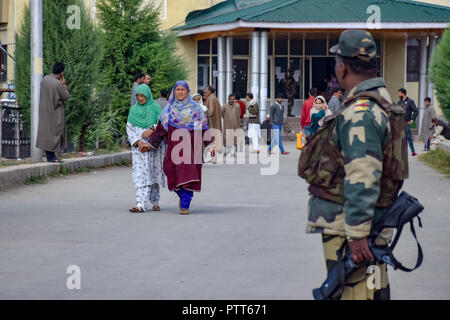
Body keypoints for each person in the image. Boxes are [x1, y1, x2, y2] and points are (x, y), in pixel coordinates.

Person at [299, 29, 409, 300]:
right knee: (371, 291)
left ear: (343, 67)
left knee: (356, 293)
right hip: (368, 226)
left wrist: (358, 234)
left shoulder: (361, 113)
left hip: (353, 232)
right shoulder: (380, 103)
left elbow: (363, 174)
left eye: (336, 62)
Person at [145, 81, 215, 215]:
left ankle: (185, 204)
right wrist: (149, 144)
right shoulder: (168, 110)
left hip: (192, 149)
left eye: (183, 89)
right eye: (178, 89)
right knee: (170, 172)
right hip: (173, 150)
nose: (180, 92)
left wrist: (210, 145)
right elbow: (160, 131)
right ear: (174, 92)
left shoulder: (196, 110)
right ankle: (182, 196)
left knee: (189, 175)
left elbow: (204, 129)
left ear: (188, 92)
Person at [127, 84, 166, 213]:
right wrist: (138, 142)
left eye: (142, 95)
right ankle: (140, 204)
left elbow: (163, 125)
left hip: (153, 147)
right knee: (140, 174)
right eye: (138, 96)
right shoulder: (133, 110)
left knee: (153, 174)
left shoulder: (155, 108)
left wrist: (152, 128)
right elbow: (130, 128)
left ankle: (155, 200)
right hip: (139, 149)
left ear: (147, 95)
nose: (140, 98)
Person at [36, 62, 70, 163]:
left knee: (47, 133)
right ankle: (52, 158)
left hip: (44, 110)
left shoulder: (44, 79)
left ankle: (50, 157)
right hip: (55, 111)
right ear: (61, 73)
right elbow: (66, 96)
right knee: (56, 133)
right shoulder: (58, 83)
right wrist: (64, 85)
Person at [397, 88, 419, 156]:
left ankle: (413, 152)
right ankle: (401, 152)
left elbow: (416, 111)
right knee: (400, 138)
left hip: (407, 122)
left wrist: (412, 120)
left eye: (399, 93)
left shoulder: (410, 101)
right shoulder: (399, 102)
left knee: (408, 137)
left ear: (403, 93)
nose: (398, 94)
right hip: (400, 123)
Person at [204, 85, 223, 154]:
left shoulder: (211, 98)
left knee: (212, 139)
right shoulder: (214, 98)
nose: (205, 91)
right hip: (216, 121)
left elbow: (211, 111)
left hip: (212, 122)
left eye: (206, 90)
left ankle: (213, 154)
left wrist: (204, 114)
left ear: (210, 91)